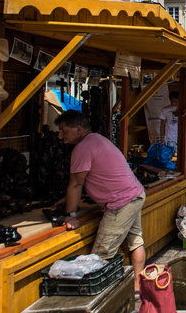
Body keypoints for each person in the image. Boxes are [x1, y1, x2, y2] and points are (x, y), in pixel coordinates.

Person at [57, 110, 146, 292]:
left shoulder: (83, 147)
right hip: (134, 195)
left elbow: (76, 184)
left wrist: (70, 215)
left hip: (121, 203)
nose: (60, 135)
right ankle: (138, 287)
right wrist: (64, 201)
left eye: (64, 131)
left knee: (100, 255)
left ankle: (103, 298)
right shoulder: (97, 139)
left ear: (79, 128)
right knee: (135, 242)